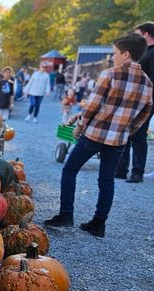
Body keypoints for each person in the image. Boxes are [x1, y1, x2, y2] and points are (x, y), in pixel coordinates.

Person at [44, 33, 152, 237]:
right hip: (119, 139)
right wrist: (128, 131)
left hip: (95, 134)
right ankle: (98, 223)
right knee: (106, 180)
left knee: (69, 170)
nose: (113, 57)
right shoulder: (147, 83)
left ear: (126, 54)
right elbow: (144, 115)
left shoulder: (110, 74)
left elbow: (93, 105)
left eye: (115, 53)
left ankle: (66, 214)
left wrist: (80, 126)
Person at [116, 21, 154, 183]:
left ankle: (137, 173)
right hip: (136, 98)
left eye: (137, 33)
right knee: (126, 130)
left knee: (138, 134)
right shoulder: (143, 52)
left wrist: (145, 96)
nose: (135, 36)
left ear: (146, 35)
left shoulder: (152, 53)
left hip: (147, 99)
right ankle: (121, 170)